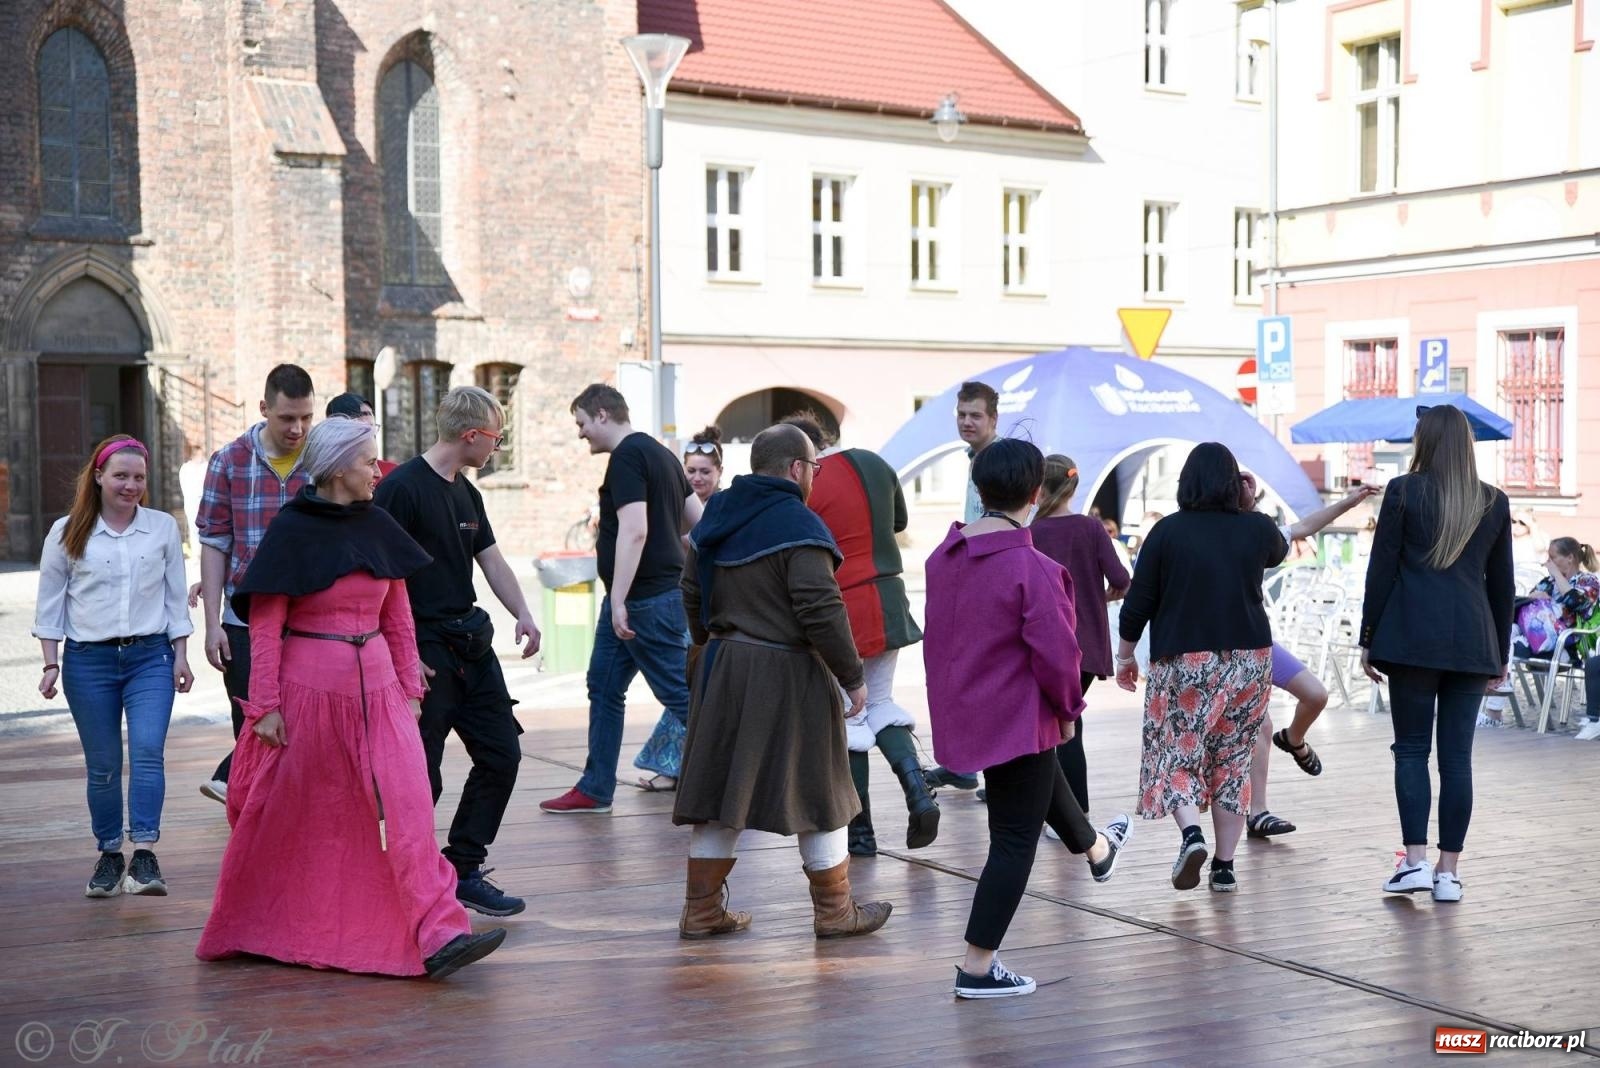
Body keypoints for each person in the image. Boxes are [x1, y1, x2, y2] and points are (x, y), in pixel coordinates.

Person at [197, 417, 505, 978]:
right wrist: (263, 706)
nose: (376, 470)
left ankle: (439, 933)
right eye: (368, 461)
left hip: (383, 690)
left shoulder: (380, 524)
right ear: (339, 467)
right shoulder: (292, 531)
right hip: (309, 694)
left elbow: (399, 614)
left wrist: (411, 687)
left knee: (412, 804)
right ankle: (268, 923)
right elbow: (265, 629)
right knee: (312, 818)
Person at [925, 438, 1128, 999]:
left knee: (1040, 780)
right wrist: (1068, 711)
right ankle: (977, 967)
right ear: (1036, 493)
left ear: (979, 488)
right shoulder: (1033, 568)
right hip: (1017, 715)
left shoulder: (943, 557)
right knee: (1013, 841)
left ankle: (1097, 850)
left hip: (964, 707)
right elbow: (1061, 658)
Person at [671, 424, 892, 941]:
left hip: (723, 665)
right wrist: (852, 675)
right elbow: (820, 608)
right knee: (822, 789)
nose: (814, 477)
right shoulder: (799, 523)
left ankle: (701, 911)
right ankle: (835, 912)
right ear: (797, 468)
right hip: (787, 670)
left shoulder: (718, 513)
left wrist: (711, 640)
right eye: (814, 468)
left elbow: (690, 590)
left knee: (719, 792)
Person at [373, 386, 541, 917]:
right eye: (496, 438)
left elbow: (490, 560)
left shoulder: (467, 492)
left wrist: (523, 613)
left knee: (501, 754)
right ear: (472, 436)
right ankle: (413, 883)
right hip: (423, 646)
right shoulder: (401, 489)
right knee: (424, 771)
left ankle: (463, 866)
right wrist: (399, 651)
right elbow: (379, 575)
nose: (497, 447)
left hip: (472, 643)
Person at [1116, 442, 1287, 894]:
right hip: (1251, 660)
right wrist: (1249, 506)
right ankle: (1225, 867)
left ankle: (1192, 835)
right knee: (1233, 759)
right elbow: (1279, 550)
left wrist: (1124, 654)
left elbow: (1139, 602)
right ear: (1235, 484)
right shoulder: (1256, 529)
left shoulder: (1167, 532)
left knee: (1176, 752)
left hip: (1187, 661)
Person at [1360, 404, 1514, 904]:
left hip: (1411, 639)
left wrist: (1367, 636)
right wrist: (1501, 653)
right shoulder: (1492, 501)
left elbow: (1381, 569)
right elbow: (1503, 587)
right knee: (1457, 759)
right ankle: (1449, 874)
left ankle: (1416, 863)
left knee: (1410, 750)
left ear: (1425, 441)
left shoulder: (1404, 492)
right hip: (1472, 641)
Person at [33, 435, 194, 898]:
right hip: (89, 663)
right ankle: (109, 854)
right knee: (103, 765)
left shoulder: (162, 528)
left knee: (147, 753)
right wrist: (50, 663)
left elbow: (174, 599)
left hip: (150, 658)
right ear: (99, 476)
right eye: (121, 476)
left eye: (139, 477)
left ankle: (144, 854)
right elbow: (50, 605)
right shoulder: (66, 532)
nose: (130, 486)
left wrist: (181, 655)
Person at [783, 412, 939, 856]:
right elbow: (898, 523)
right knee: (882, 703)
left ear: (799, 456)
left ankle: (861, 832)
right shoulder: (875, 462)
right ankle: (918, 791)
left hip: (842, 610)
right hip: (888, 599)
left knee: (850, 716)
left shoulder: (805, 487)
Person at [542, 385, 701, 810]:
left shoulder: (628, 457)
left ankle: (744, 780)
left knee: (682, 697)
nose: (580, 434)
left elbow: (635, 529)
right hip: (649, 598)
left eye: (581, 423)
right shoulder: (663, 455)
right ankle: (595, 788)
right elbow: (697, 527)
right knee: (604, 685)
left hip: (641, 602)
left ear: (601, 415)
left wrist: (619, 600)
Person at [195, 364, 315, 804]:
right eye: (286, 418)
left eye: (306, 417)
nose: (297, 428)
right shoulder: (229, 461)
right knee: (251, 724)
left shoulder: (322, 459)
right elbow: (214, 544)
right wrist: (212, 624)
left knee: (306, 722)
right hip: (244, 620)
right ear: (264, 408)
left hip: (309, 617)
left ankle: (295, 819)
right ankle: (250, 818)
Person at [1245, 481, 1379, 840]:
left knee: (1317, 695)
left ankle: (1296, 739)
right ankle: (1257, 812)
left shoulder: (1260, 532)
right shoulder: (1207, 531)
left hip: (1258, 642)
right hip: (1224, 645)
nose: (1249, 489)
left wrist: (1348, 503)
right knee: (1260, 726)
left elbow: (1303, 527)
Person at [1028, 454, 1130, 817]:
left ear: (1038, 490)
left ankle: (1062, 812)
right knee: (1069, 720)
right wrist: (1099, 597)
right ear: (1073, 486)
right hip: (1085, 642)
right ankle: (1075, 811)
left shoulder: (1031, 532)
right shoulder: (1090, 528)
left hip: (1044, 641)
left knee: (1056, 725)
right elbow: (1121, 579)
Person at [923, 380, 1002, 795]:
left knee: (986, 680)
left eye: (975, 415)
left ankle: (991, 770)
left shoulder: (998, 460)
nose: (967, 422)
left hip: (991, 580)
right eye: (961, 414)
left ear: (993, 418)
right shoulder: (976, 459)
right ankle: (966, 765)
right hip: (974, 575)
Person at [326, 391, 398, 478]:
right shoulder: (323, 477)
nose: (370, 438)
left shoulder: (392, 473)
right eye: (363, 431)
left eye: (372, 430)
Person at [683, 425, 724, 503]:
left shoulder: (728, 506)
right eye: (691, 471)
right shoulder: (675, 505)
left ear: (720, 471)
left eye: (705, 472)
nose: (697, 478)